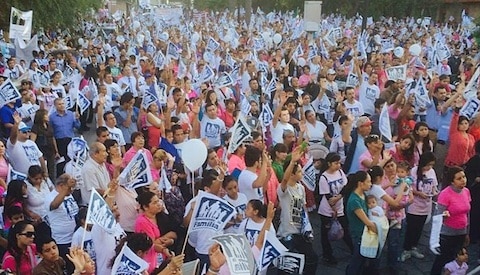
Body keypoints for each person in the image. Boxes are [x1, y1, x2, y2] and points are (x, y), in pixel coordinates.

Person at [277, 148, 317, 274]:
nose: (302, 173)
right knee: (286, 266)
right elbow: (284, 180)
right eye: (299, 171)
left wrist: (308, 227)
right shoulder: (284, 189)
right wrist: (292, 162)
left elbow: (304, 208)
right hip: (287, 233)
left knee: (311, 259)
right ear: (292, 174)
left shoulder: (301, 188)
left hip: (301, 232)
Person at [431, 166, 471, 275]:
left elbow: (467, 213)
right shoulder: (445, 194)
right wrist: (444, 215)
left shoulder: (466, 191)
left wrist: (467, 232)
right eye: (459, 178)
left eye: (464, 177)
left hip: (461, 232)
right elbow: (437, 216)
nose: (463, 180)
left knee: (456, 260)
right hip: (448, 234)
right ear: (452, 181)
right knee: (442, 260)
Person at [401, 152, 437, 262]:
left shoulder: (431, 172)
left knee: (419, 228)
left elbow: (434, 185)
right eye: (428, 165)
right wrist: (418, 193)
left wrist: (434, 192)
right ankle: (406, 248)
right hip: (414, 205)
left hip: (426, 205)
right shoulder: (414, 171)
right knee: (411, 228)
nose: (429, 167)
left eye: (431, 165)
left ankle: (413, 247)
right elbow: (408, 187)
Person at [317, 153, 352, 265]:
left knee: (345, 229)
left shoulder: (340, 172)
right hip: (327, 210)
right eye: (335, 163)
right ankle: (327, 255)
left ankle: (353, 249)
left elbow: (346, 187)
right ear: (329, 163)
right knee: (325, 233)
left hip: (339, 207)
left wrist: (339, 197)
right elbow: (327, 196)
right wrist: (333, 206)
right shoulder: (324, 177)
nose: (338, 165)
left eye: (339, 163)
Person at [44, 174, 79, 274]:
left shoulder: (68, 194)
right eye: (69, 187)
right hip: (62, 242)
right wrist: (66, 189)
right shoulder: (50, 197)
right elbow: (54, 205)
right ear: (61, 185)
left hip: (75, 238)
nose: (71, 190)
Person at [344, 171, 377, 274]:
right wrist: (380, 230)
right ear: (360, 183)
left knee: (361, 259)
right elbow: (367, 221)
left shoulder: (363, 195)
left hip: (364, 234)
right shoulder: (354, 200)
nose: (370, 184)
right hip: (359, 234)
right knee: (357, 260)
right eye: (368, 182)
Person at [135, 191, 169, 273]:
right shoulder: (142, 222)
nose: (158, 204)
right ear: (146, 207)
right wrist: (166, 240)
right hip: (150, 262)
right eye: (155, 203)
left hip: (159, 256)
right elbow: (152, 243)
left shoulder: (159, 216)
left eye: (158, 201)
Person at [49, 98, 80, 176]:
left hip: (70, 141)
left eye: (63, 103)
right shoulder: (52, 117)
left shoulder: (70, 114)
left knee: (71, 160)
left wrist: (77, 119)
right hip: (59, 141)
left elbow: (77, 126)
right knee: (61, 162)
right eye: (59, 104)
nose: (62, 105)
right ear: (55, 106)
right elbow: (50, 131)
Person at [30, 109, 59, 181]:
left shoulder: (49, 125)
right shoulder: (35, 127)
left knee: (52, 171)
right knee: (44, 171)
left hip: (50, 151)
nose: (48, 116)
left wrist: (56, 151)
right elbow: (32, 142)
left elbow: (52, 138)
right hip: (42, 152)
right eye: (46, 115)